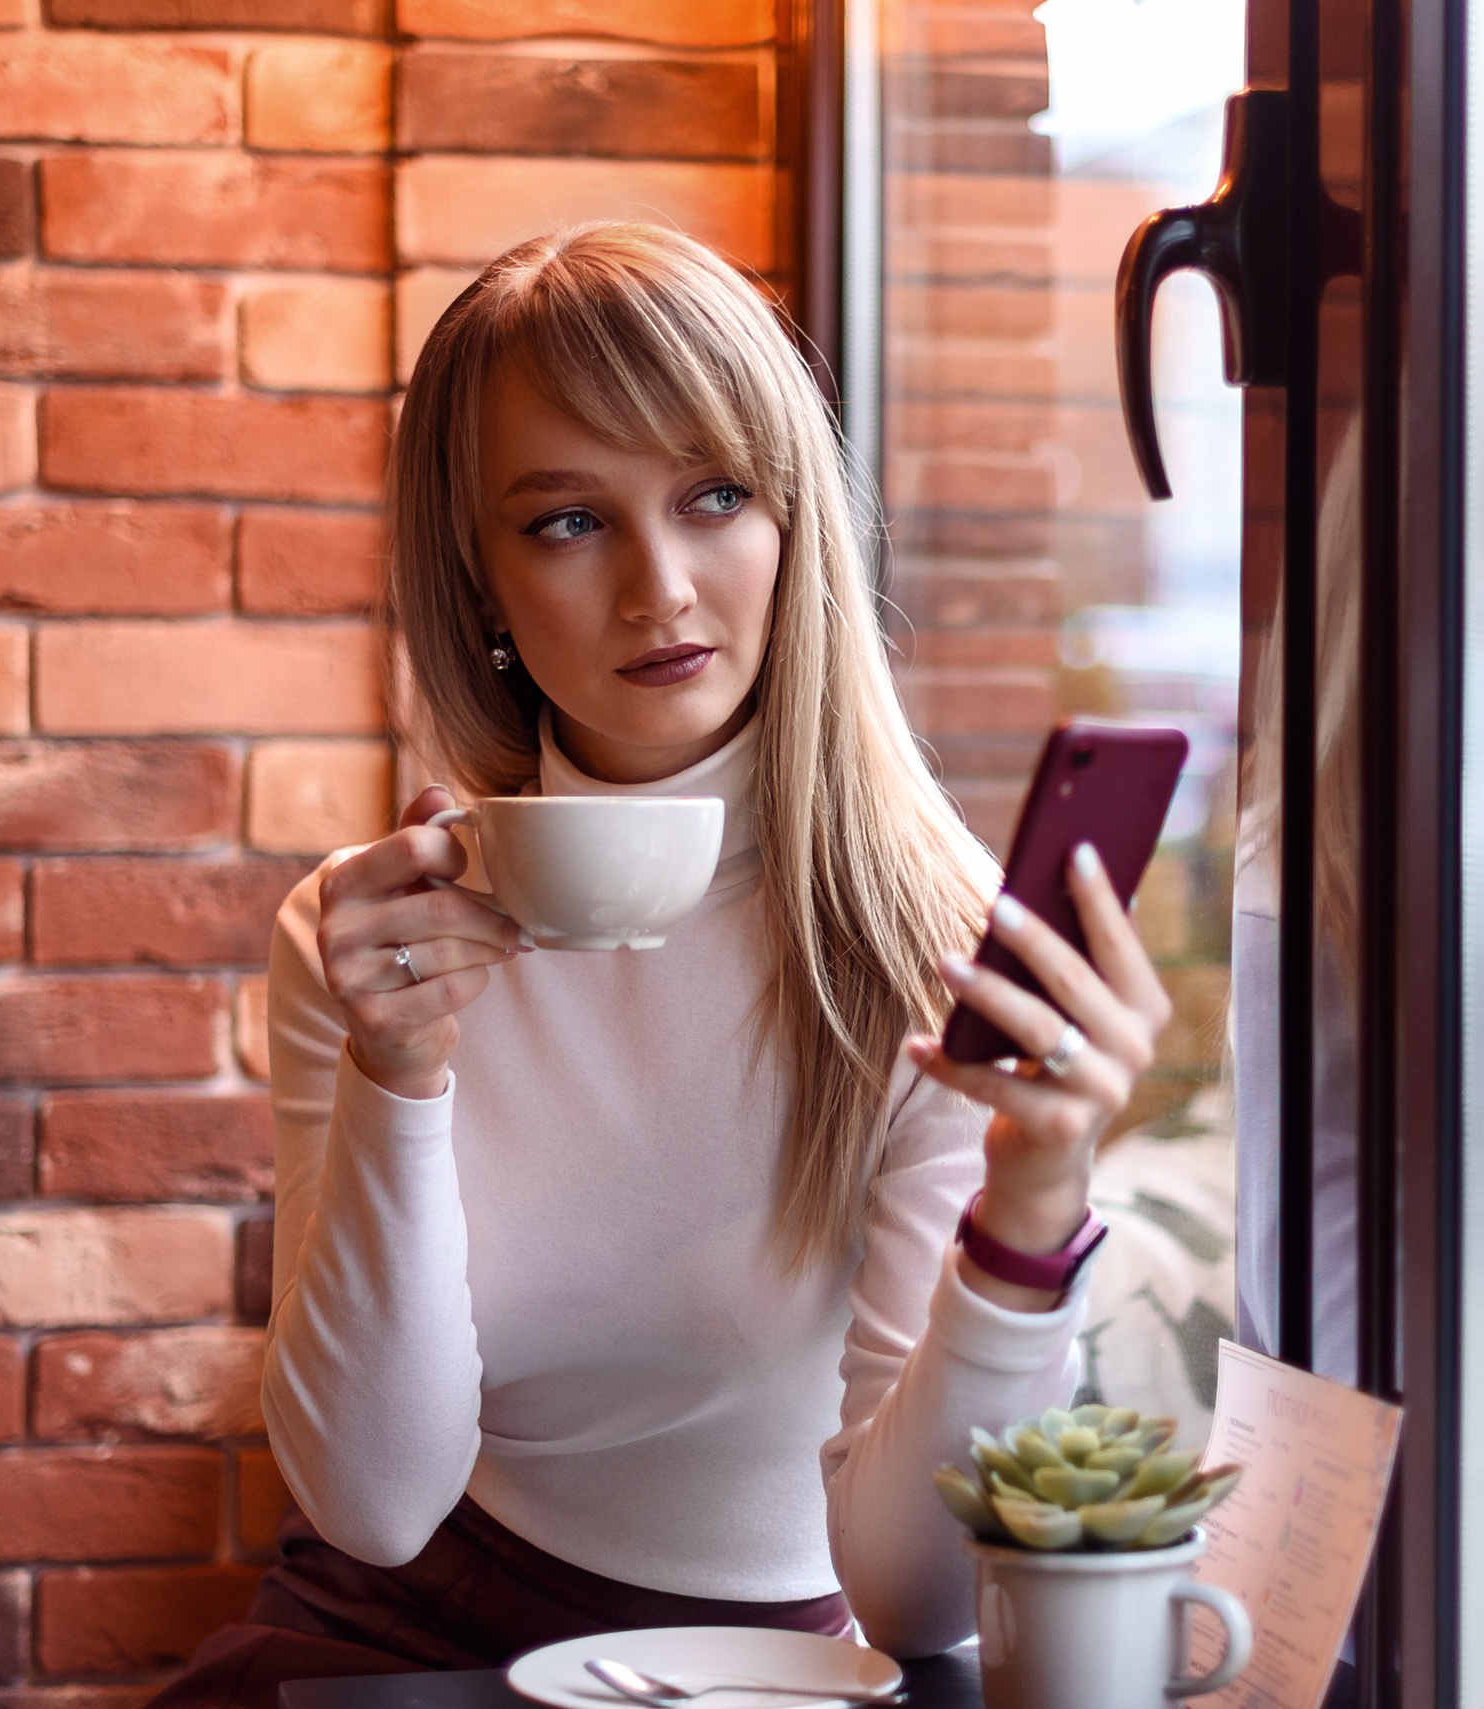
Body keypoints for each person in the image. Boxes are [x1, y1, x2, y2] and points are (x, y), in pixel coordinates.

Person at [150, 223, 1174, 1707]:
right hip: (409, 1632)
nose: (662, 588)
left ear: (793, 517)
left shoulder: (939, 944)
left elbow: (916, 1600)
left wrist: (1029, 1208)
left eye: (714, 496)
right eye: (567, 520)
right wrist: (402, 1073)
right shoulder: (370, 938)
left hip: (778, 1666)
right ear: (480, 579)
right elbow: (373, 1503)